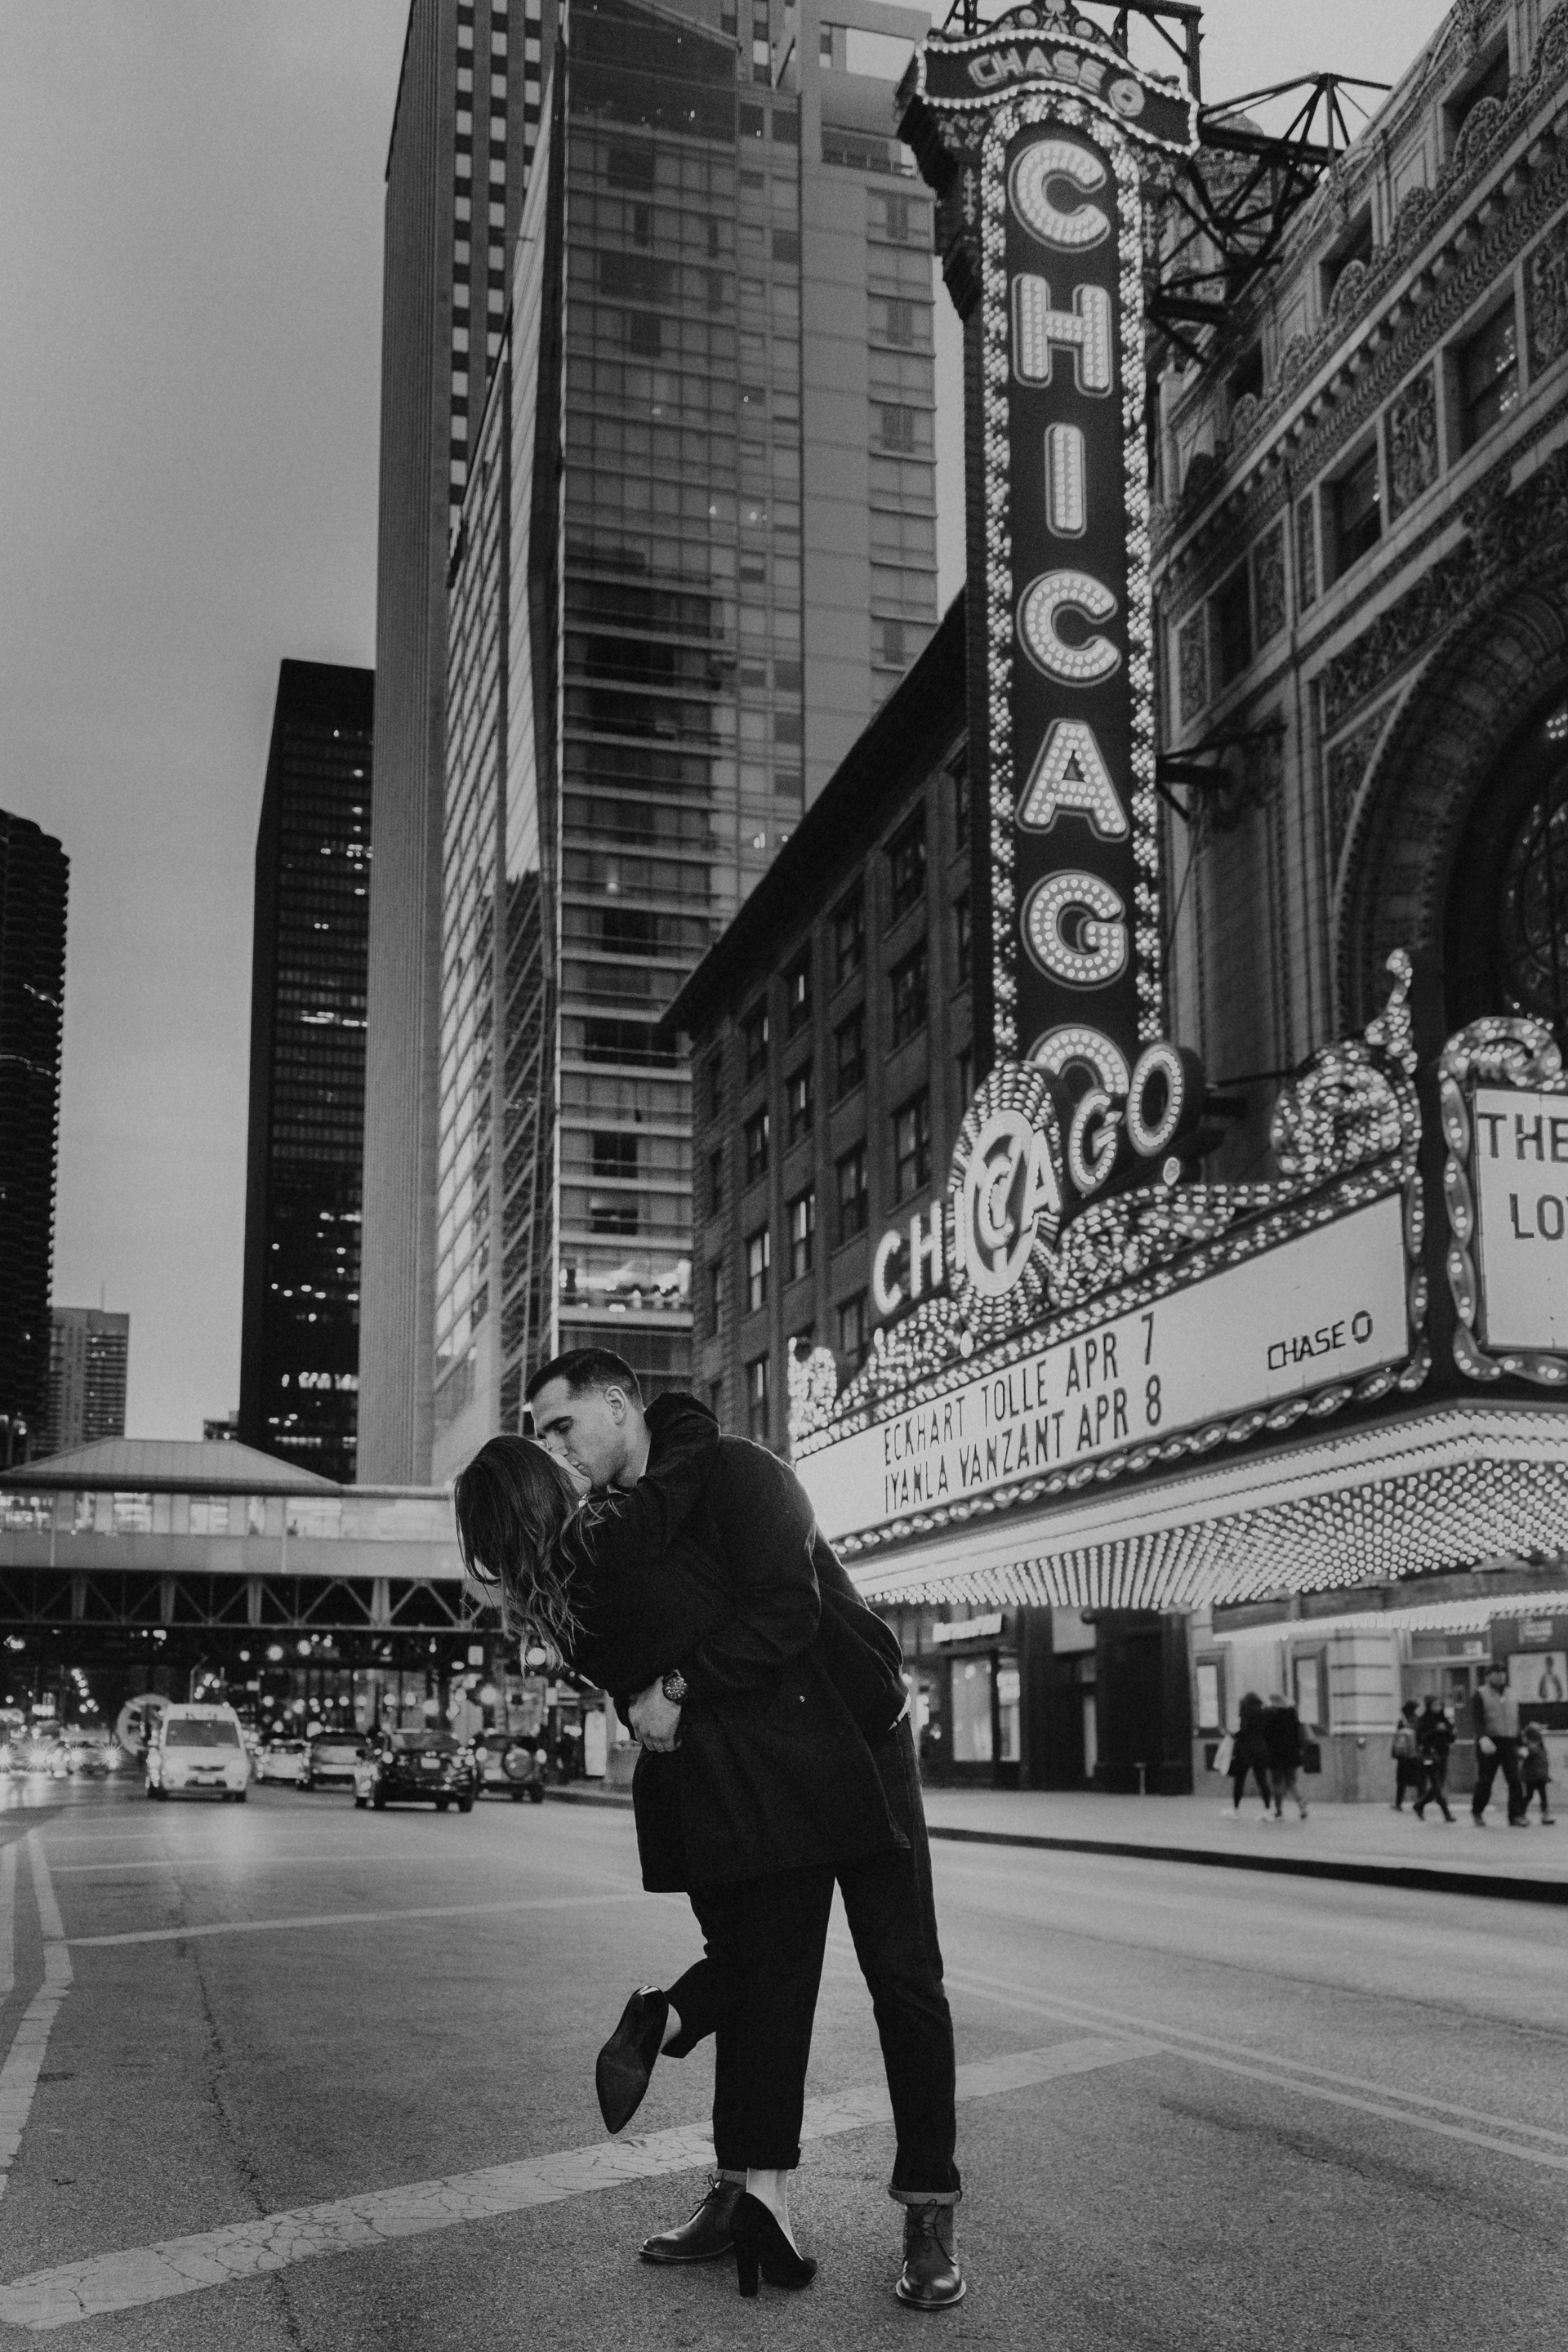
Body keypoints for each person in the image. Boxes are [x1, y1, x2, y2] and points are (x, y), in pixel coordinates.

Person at [457, 1366, 963, 2310]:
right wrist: (659, 1693)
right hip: (765, 1766)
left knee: (901, 1975)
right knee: (770, 1974)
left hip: (861, 1737)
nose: (556, 1445)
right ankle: (744, 2192)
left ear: (619, 1406)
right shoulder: (618, 1526)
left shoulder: (732, 1471)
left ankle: (926, 2211)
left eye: (562, 1424)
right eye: (540, 1438)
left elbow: (788, 1610)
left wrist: (672, 1689)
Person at [1471, 1664, 1527, 1828]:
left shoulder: (1511, 1693)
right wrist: (1482, 1737)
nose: (1501, 1676)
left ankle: (1515, 1816)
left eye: (1503, 1673)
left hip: (1509, 1741)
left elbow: (1517, 1719)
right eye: (1497, 1673)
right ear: (1488, 1676)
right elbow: (1477, 1719)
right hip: (1490, 1742)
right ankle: (1477, 1811)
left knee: (1515, 1780)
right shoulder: (1480, 1694)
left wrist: (1521, 1743)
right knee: (1486, 1781)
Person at [1262, 1690, 1308, 1820]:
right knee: (1292, 1781)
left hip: (1275, 1753)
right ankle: (1301, 1804)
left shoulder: (1268, 1715)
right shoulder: (1291, 1713)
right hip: (1292, 1753)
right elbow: (1298, 1733)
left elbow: (1265, 1735)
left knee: (1277, 1782)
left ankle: (1279, 1810)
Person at [1410, 1698, 1455, 1823]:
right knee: (1435, 1785)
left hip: (1442, 1756)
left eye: (1440, 1705)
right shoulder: (1424, 1720)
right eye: (1435, 1705)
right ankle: (1446, 1813)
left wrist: (1445, 1730)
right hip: (1429, 1756)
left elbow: (1452, 1737)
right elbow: (1421, 1738)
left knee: (1437, 1786)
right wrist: (1436, 1730)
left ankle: (1419, 1805)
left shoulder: (1444, 1720)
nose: (1437, 1708)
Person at [1230, 1692, 1272, 1815]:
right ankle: (1268, 1807)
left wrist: (1234, 1735)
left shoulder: (1246, 1712)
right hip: (1261, 1750)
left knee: (1239, 1781)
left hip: (1245, 1751)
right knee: (1262, 1781)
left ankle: (1236, 1808)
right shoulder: (1264, 1713)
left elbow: (1244, 1731)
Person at [1519, 1722, 1555, 1824]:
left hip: (1537, 1775)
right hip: (1533, 1776)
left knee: (1534, 1796)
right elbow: (1524, 1757)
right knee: (1535, 1796)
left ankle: (1523, 1814)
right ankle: (1524, 1814)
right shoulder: (1533, 1747)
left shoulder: (1536, 1746)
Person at [1390, 1700, 1422, 1810]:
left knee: (1401, 1780)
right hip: (1414, 1754)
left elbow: (1397, 1739)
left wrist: (1394, 1753)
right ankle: (1419, 1802)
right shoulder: (1417, 1720)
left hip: (1402, 1755)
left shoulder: (1401, 1721)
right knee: (1418, 1779)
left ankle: (1398, 1803)